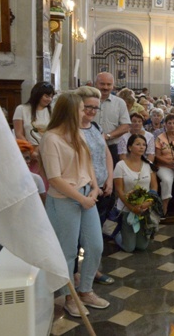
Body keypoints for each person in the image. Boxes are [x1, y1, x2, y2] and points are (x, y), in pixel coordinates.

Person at [39, 92, 109, 318]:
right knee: (68, 251)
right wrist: (82, 198)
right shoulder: (51, 138)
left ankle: (86, 290)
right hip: (65, 200)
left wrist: (95, 187)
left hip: (87, 194)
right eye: (81, 110)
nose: (85, 113)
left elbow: (87, 162)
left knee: (95, 245)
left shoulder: (77, 133)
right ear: (70, 112)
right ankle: (70, 297)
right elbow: (54, 178)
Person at [75, 85, 115, 285]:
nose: (91, 111)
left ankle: (92, 271)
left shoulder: (96, 127)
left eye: (95, 108)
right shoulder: (72, 129)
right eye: (87, 107)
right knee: (76, 236)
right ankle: (75, 273)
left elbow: (105, 152)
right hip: (83, 189)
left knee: (95, 235)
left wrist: (109, 179)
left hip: (101, 185)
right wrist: (93, 185)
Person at [113, 134, 160, 252]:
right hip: (126, 209)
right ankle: (117, 234)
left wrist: (148, 203)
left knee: (142, 246)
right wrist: (131, 207)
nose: (142, 147)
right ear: (129, 147)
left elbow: (154, 185)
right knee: (129, 248)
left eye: (144, 145)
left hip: (144, 209)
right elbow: (119, 190)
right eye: (138, 144)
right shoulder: (121, 165)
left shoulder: (148, 164)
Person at [94, 72, 131, 166]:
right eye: (102, 84)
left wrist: (107, 136)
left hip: (112, 147)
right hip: (90, 146)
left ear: (113, 86)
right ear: (96, 84)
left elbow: (126, 126)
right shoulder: (86, 102)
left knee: (112, 176)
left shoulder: (120, 103)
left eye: (109, 84)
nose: (105, 87)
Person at [154, 113, 174, 216]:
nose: (172, 125)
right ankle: (163, 209)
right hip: (164, 165)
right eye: (169, 123)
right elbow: (156, 156)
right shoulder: (160, 138)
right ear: (165, 124)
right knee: (167, 180)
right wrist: (168, 162)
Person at [14, 81, 55, 147]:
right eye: (46, 96)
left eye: (51, 97)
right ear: (37, 95)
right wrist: (31, 150)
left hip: (48, 148)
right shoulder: (21, 109)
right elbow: (19, 134)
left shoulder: (53, 110)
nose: (49, 99)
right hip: (29, 148)